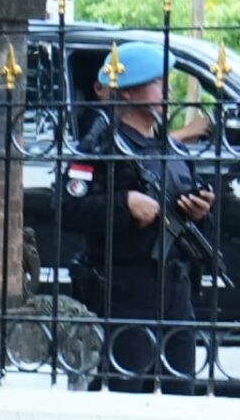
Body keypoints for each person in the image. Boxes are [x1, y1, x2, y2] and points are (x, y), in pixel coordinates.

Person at [64, 41, 217, 391]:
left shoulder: (173, 149)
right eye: (158, 82)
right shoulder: (99, 147)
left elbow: (194, 220)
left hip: (176, 295)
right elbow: (68, 208)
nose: (168, 91)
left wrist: (201, 212)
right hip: (124, 294)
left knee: (179, 399)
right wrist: (124, 204)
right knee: (123, 398)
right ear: (129, 91)